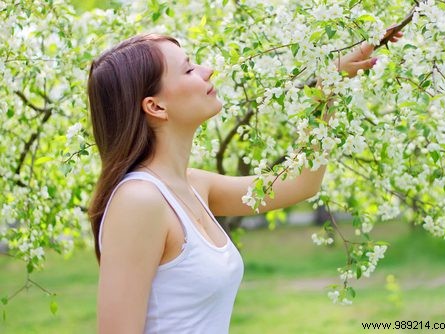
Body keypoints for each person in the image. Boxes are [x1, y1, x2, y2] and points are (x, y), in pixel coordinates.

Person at [87, 28, 403, 334]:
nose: (207, 71)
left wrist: (327, 92)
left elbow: (302, 183)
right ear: (155, 106)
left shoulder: (193, 186)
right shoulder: (139, 201)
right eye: (188, 71)